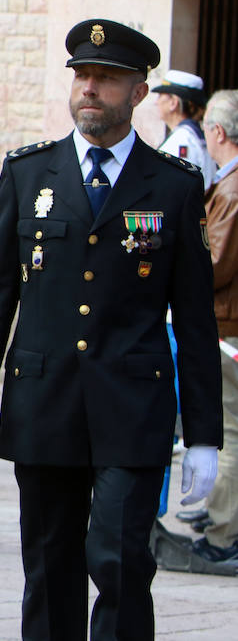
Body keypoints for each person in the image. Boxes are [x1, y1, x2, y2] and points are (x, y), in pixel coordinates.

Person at [0, 19, 221, 639]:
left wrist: (204, 434)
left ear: (139, 92)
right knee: (48, 567)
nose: (90, 89)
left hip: (133, 405)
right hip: (44, 401)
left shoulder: (173, 186)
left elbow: (197, 321)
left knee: (121, 560)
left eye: (107, 78)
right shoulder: (28, 173)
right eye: (83, 76)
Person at [196, 89, 238, 563]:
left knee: (228, 431)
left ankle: (223, 535)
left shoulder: (231, 189)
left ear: (219, 133)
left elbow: (216, 265)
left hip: (227, 327)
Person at [154, 69, 214, 188]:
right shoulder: (190, 135)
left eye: (161, 96)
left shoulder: (182, 141)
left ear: (173, 103)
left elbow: (173, 188)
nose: (156, 102)